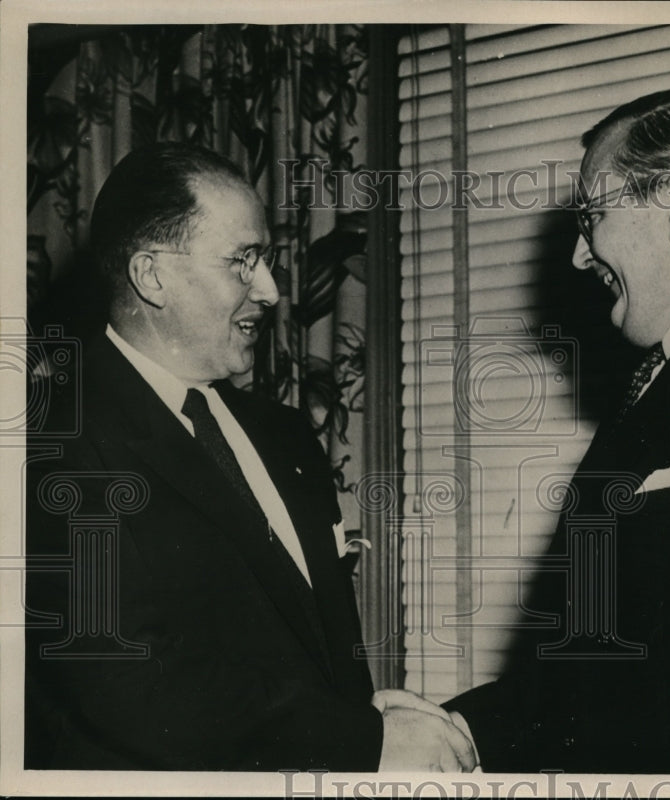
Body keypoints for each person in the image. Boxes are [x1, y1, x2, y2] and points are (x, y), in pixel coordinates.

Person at [391, 88, 670, 774]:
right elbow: (605, 678)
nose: (580, 255)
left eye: (593, 216)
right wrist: (458, 731)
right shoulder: (666, 386)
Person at [24, 142, 474, 772]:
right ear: (151, 275)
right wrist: (362, 743)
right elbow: (124, 681)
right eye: (243, 261)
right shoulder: (50, 441)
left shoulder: (285, 434)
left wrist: (368, 723)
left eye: (264, 258)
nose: (270, 289)